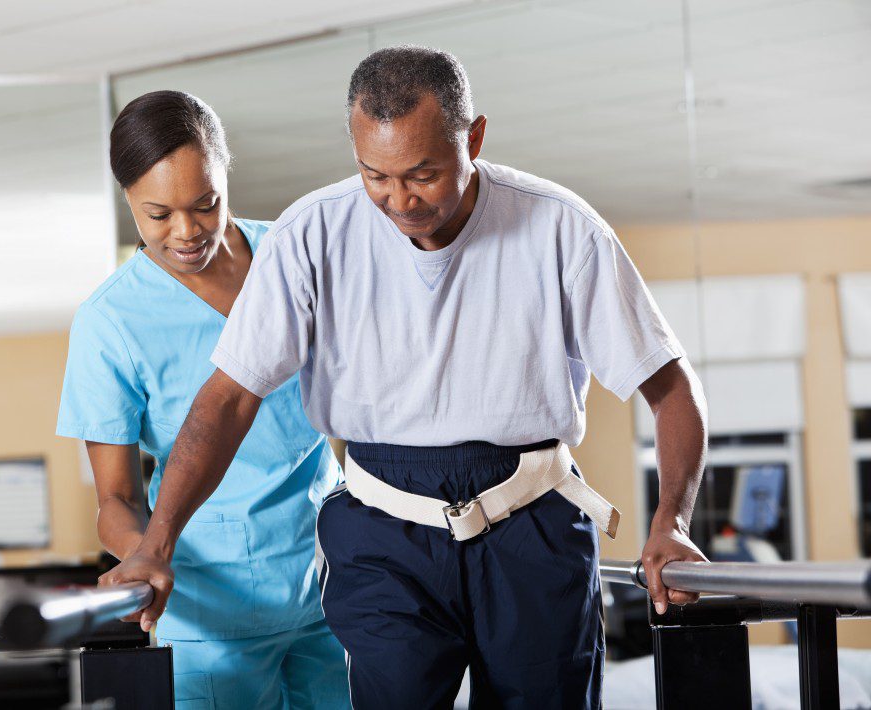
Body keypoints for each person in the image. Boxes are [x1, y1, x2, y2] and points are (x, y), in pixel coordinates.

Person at [104, 48, 709, 709]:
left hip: (531, 518)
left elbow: (670, 387)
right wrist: (155, 544)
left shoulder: (562, 228)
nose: (400, 200)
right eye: (376, 175)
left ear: (473, 138)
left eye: (423, 174)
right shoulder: (311, 232)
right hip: (381, 529)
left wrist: (672, 521)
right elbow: (228, 398)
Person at [56, 90, 349, 710]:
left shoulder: (290, 257)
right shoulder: (110, 321)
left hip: (332, 584)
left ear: (225, 176)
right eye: (158, 214)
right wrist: (145, 553)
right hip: (209, 609)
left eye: (206, 204)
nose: (186, 232)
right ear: (128, 200)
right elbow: (115, 499)